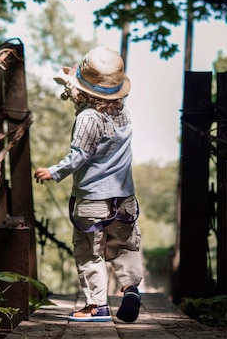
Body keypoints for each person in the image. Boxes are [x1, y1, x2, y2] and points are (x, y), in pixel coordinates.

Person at [34, 46, 143, 323]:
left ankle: (97, 306)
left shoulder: (87, 118)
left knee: (89, 252)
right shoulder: (124, 114)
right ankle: (131, 289)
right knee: (124, 247)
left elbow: (79, 156)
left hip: (93, 203)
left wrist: (53, 172)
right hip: (125, 200)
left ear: (82, 92)